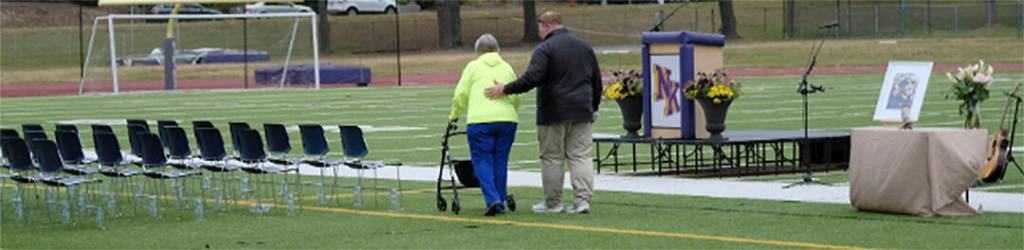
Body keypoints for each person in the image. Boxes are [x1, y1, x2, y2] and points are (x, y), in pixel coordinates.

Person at [484, 11, 602, 214]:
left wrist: (505, 88)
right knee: (581, 156)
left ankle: (553, 203)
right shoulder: (584, 47)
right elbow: (596, 82)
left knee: (553, 158)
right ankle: (582, 201)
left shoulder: (545, 48)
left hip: (553, 111)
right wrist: (594, 107)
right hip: (582, 110)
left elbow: (532, 78)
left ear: (545, 26)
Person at [449, 33, 520, 216]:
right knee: (500, 161)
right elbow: (515, 94)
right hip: (507, 120)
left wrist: (454, 116)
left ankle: (492, 199)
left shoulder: (473, 67)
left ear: (478, 51)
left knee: (482, 159)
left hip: (480, 120)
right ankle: (500, 199)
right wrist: (511, 112)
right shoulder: (506, 67)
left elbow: (460, 95)